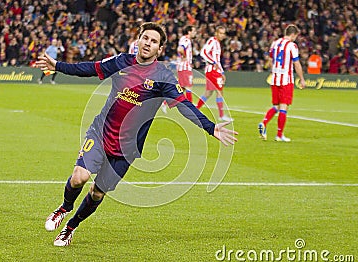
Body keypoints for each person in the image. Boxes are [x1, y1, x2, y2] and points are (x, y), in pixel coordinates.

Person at [35, 22, 238, 247]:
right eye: (145, 38)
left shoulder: (163, 77)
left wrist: (211, 127)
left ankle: (70, 228)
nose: (148, 44)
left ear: (159, 49)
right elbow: (90, 68)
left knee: (97, 193)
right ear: (138, 40)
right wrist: (57, 65)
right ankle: (64, 207)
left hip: (127, 148)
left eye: (154, 41)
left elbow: (183, 105)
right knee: (79, 177)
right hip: (101, 132)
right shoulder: (121, 61)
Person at [258, 24, 306, 142]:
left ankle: (264, 123)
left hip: (274, 79)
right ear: (293, 34)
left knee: (277, 106)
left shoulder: (275, 43)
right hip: (286, 80)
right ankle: (279, 135)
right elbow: (296, 63)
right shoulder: (292, 46)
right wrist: (302, 78)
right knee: (284, 107)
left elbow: (269, 61)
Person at [196, 26, 232, 121]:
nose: (222, 35)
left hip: (215, 70)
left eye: (223, 33)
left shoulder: (218, 43)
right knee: (219, 91)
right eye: (220, 33)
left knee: (208, 93)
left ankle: (195, 110)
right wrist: (213, 62)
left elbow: (218, 60)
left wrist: (222, 71)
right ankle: (221, 115)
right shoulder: (212, 41)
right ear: (216, 33)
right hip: (212, 71)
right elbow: (203, 52)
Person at [177, 25, 196, 102]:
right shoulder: (186, 40)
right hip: (184, 67)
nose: (195, 33)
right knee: (188, 87)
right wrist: (184, 56)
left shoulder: (184, 39)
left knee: (182, 88)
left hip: (183, 67)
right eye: (194, 31)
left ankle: (165, 102)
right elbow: (180, 49)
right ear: (189, 32)